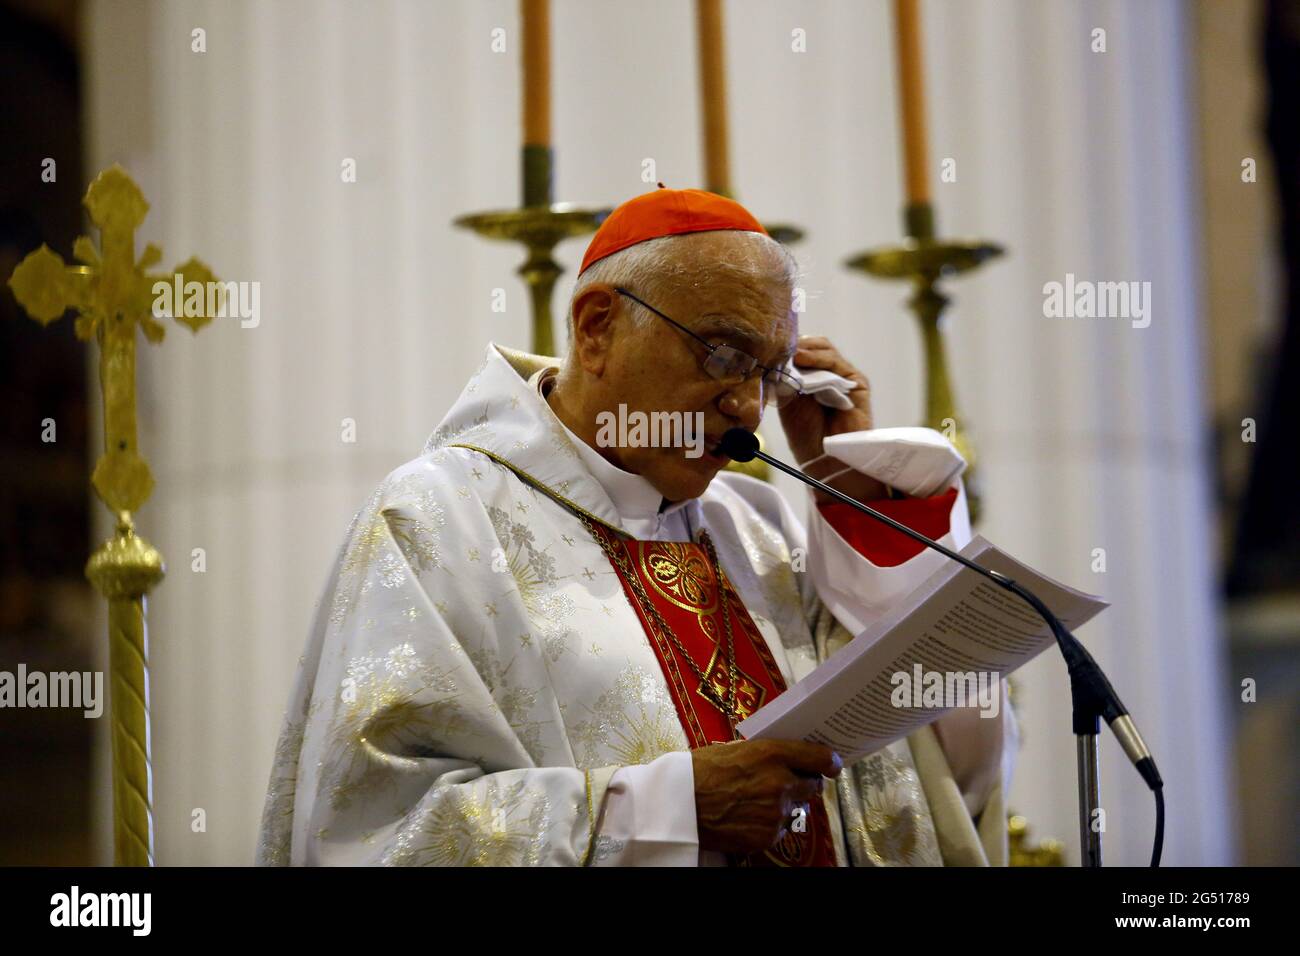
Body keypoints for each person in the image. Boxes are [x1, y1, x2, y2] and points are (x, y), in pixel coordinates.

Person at [256, 186, 1016, 866]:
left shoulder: (762, 531)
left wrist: (862, 502)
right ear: (596, 328)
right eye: (723, 354)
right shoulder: (435, 521)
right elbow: (375, 832)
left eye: (771, 372)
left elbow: (947, 768)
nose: (750, 408)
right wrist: (665, 811)